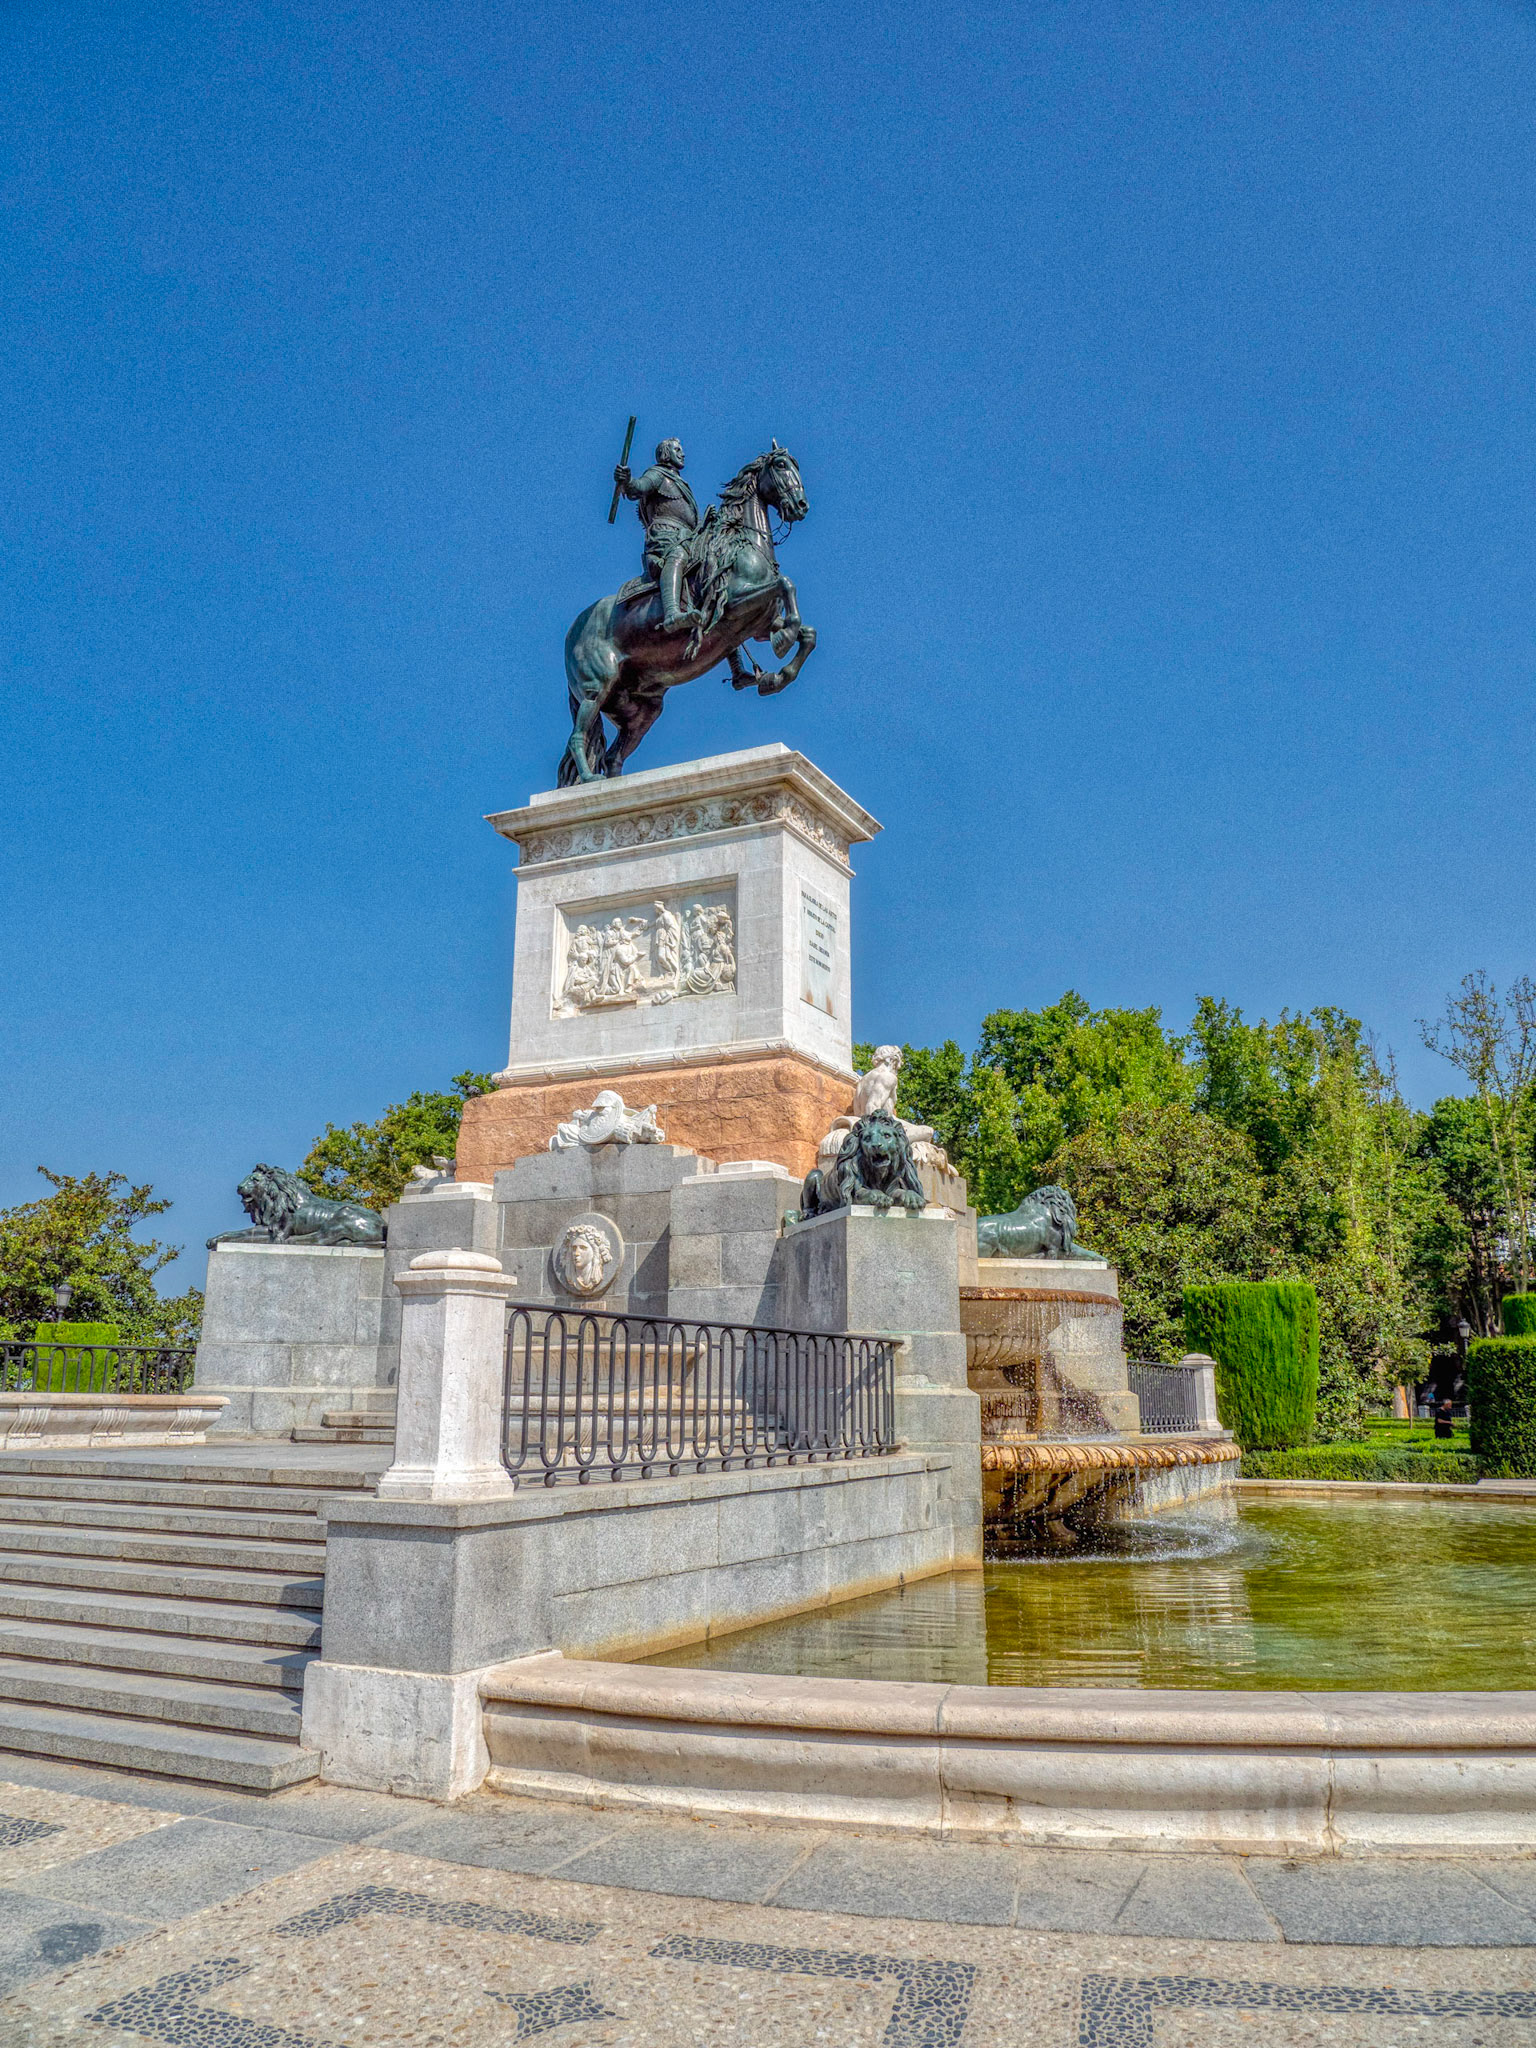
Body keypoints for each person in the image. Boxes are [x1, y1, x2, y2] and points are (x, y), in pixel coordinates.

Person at [612, 438, 701, 632]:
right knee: (677, 556)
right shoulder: (657, 474)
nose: (683, 453)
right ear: (666, 453)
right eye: (677, 449)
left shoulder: (680, 483)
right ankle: (671, 614)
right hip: (665, 538)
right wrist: (626, 480)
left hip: (687, 538)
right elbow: (638, 488)